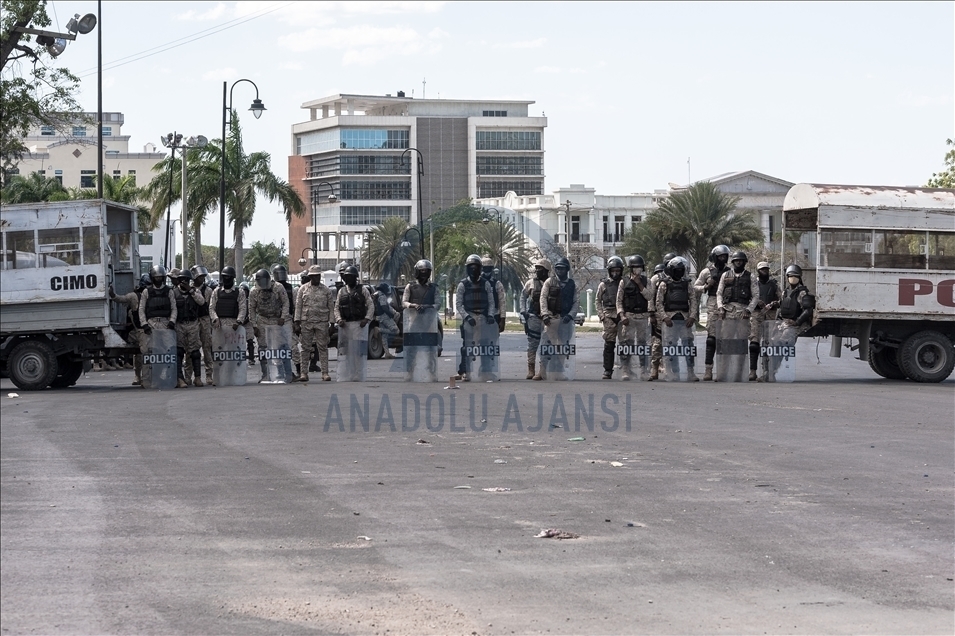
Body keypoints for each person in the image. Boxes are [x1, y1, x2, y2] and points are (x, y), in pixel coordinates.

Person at [656, 256, 700, 381]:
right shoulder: (664, 284)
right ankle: (674, 372)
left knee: (688, 345)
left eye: (681, 270)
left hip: (685, 319)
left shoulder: (687, 283)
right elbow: (659, 302)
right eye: (677, 270)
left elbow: (693, 300)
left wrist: (692, 317)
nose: (680, 272)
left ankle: (691, 372)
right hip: (670, 319)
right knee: (671, 346)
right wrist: (664, 317)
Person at [455, 254, 497, 382]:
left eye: (476, 267)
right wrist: (466, 317)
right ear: (468, 268)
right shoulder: (463, 285)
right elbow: (458, 304)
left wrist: (490, 315)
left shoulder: (486, 284)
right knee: (467, 347)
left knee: (485, 346)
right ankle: (465, 372)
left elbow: (491, 302)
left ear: (480, 268)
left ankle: (486, 371)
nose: (474, 270)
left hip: (483, 317)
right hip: (470, 318)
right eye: (471, 267)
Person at [537, 257, 578, 381]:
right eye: (558, 268)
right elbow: (543, 298)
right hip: (551, 317)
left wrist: (571, 315)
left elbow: (576, 302)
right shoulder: (549, 282)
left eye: (563, 268)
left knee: (562, 346)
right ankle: (542, 371)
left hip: (565, 319)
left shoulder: (572, 284)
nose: (560, 271)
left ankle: (559, 372)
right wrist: (544, 314)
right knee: (546, 345)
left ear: (567, 269)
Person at [615, 254, 655, 380]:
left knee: (643, 345)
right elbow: (619, 300)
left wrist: (639, 284)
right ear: (631, 268)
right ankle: (626, 370)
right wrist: (621, 315)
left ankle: (644, 371)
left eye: (639, 267)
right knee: (628, 344)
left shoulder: (646, 281)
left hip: (643, 317)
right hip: (629, 317)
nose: (638, 269)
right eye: (635, 267)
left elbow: (649, 296)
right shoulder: (624, 282)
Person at [694, 244, 731, 381]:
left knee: (726, 339)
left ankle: (724, 370)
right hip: (713, 303)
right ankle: (708, 370)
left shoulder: (730, 272)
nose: (723, 259)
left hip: (728, 305)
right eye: (720, 256)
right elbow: (695, 286)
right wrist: (706, 286)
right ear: (715, 257)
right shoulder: (706, 272)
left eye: (725, 256)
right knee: (711, 339)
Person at [248, 268, 291, 383]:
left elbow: (286, 302)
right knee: (262, 348)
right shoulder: (254, 291)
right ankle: (265, 374)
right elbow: (251, 308)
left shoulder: (278, 287)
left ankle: (283, 373)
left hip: (276, 320)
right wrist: (254, 325)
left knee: (279, 348)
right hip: (262, 320)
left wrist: (283, 317)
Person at [294, 264, 335, 382]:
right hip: (306, 322)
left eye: (317, 276)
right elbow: (298, 306)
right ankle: (303, 373)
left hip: (322, 322)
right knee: (305, 348)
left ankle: (325, 373)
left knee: (322, 347)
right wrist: (297, 322)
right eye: (313, 276)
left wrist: (332, 323)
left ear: (319, 276)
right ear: (310, 277)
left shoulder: (326, 290)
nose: (315, 278)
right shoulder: (303, 289)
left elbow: (331, 308)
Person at [109, 273, 151, 386]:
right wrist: (112, 294)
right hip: (139, 330)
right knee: (142, 353)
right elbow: (120, 299)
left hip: (153, 328)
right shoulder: (134, 296)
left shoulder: (154, 294)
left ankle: (146, 377)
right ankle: (141, 377)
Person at [171, 269, 206, 388]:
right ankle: (180, 378)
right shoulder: (174, 293)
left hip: (193, 324)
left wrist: (191, 291)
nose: (184, 282)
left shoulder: (195, 291)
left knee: (195, 352)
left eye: (186, 280)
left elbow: (202, 302)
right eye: (182, 280)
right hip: (179, 324)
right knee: (179, 352)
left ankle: (197, 378)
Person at [519, 258, 551, 380]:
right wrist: (523, 311)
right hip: (534, 317)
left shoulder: (552, 282)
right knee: (532, 344)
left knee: (546, 344)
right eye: (536, 268)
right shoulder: (530, 283)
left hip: (548, 318)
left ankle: (542, 370)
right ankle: (531, 369)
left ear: (547, 270)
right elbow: (523, 296)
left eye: (540, 269)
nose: (537, 271)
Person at [750, 262, 781, 381]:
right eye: (762, 270)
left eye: (766, 269)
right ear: (758, 271)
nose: (764, 272)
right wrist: (756, 302)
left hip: (770, 315)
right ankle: (752, 371)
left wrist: (774, 303)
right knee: (754, 343)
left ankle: (767, 371)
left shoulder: (773, 284)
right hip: (757, 314)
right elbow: (747, 297)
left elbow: (781, 299)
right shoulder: (753, 284)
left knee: (768, 344)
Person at [596, 256, 624, 380]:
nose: (615, 273)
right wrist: (602, 316)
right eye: (613, 271)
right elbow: (597, 301)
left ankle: (626, 370)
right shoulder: (603, 284)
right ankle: (608, 370)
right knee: (609, 345)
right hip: (609, 316)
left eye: (618, 271)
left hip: (622, 316)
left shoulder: (625, 283)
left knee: (625, 345)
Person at [272, 264, 302, 380]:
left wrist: (296, 322)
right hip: (275, 321)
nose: (281, 276)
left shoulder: (292, 289)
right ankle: (281, 372)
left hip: (288, 320)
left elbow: (296, 306)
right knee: (277, 347)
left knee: (293, 346)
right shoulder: (272, 288)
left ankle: (299, 370)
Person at [647, 258, 672, 381]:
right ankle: (654, 368)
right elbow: (651, 297)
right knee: (657, 342)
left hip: (674, 314)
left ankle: (669, 368)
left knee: (671, 343)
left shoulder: (678, 278)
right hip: (658, 314)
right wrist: (651, 313)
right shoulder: (656, 278)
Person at [190, 265, 215, 386]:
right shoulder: (189, 289)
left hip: (205, 319)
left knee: (207, 347)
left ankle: (209, 375)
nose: (202, 279)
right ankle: (189, 375)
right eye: (200, 276)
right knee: (192, 348)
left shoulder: (208, 290)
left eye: (203, 276)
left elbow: (209, 306)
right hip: (193, 320)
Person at [209, 266, 247, 331]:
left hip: (234, 325)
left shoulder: (240, 292)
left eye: (228, 277)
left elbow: (242, 308)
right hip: (219, 325)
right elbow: (211, 307)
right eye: (224, 277)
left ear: (232, 278)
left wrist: (238, 322)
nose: (226, 279)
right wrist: (215, 319)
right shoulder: (216, 291)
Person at [778, 264, 815, 331]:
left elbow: (808, 310)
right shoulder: (785, 292)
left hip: (797, 324)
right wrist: (778, 320)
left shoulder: (802, 292)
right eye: (791, 276)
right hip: (785, 322)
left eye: (795, 276)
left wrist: (797, 322)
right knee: (773, 336)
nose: (793, 278)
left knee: (785, 337)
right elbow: (781, 307)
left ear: (799, 277)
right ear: (788, 277)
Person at [374, 282, 399, 359]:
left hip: (379, 317)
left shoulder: (377, 294)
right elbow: (384, 307)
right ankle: (378, 330)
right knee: (396, 331)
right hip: (384, 316)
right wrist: (391, 315)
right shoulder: (382, 295)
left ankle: (387, 353)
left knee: (384, 336)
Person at [482, 256, 507, 333]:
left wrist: (502, 319)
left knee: (493, 341)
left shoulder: (497, 284)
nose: (487, 271)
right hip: (480, 315)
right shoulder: (475, 283)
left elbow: (502, 302)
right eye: (484, 268)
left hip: (494, 315)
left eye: (489, 268)